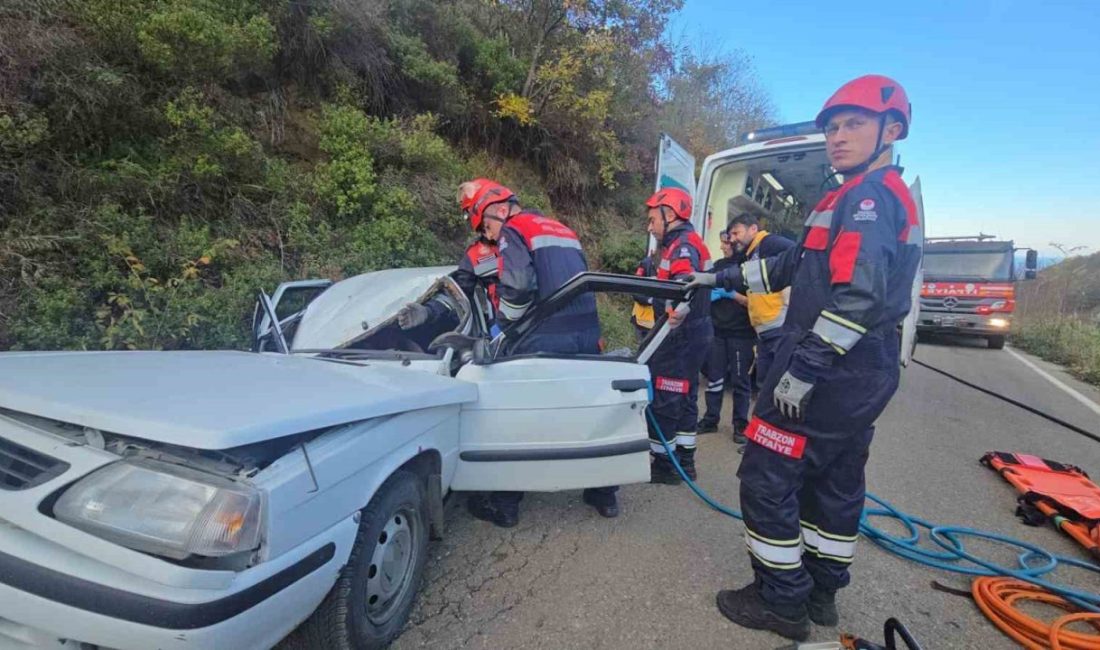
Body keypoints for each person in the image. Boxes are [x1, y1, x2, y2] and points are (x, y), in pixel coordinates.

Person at [687, 75, 921, 640]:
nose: (838, 137)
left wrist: (802, 371)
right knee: (834, 481)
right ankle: (820, 594)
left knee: (768, 476)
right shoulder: (861, 196)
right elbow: (789, 268)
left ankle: (781, 600)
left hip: (833, 370)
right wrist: (712, 275)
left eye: (854, 125)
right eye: (833, 128)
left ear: (891, 130)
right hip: (864, 372)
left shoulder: (866, 199)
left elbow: (856, 298)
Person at [456, 178, 619, 525]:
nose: (489, 234)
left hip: (542, 338)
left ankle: (506, 505)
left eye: (486, 225)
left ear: (500, 209)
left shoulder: (514, 230)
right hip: (586, 336)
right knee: (587, 415)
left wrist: (501, 330)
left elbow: (517, 287)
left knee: (514, 420)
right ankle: (604, 493)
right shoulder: (562, 230)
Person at [643, 187, 713, 484]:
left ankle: (665, 466)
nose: (650, 227)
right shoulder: (688, 241)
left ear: (669, 214)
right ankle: (685, 460)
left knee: (667, 398)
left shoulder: (682, 246)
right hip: (695, 334)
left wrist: (671, 323)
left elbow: (685, 289)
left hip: (681, 336)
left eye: (652, 220)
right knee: (684, 398)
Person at [697, 224, 754, 444]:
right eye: (721, 241)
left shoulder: (748, 269)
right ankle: (711, 419)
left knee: (740, 381)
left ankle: (740, 425)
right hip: (717, 331)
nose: (722, 246)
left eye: (726, 242)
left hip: (741, 334)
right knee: (714, 378)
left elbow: (758, 303)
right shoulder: (717, 267)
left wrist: (733, 296)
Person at [724, 212, 795, 386]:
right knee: (764, 385)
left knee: (774, 386)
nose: (733, 239)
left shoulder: (768, 243)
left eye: (736, 233)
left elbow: (798, 253)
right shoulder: (750, 252)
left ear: (753, 229)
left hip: (778, 328)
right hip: (764, 331)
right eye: (730, 235)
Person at [396, 225, 499, 333]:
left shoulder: (511, 248)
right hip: (503, 331)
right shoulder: (479, 256)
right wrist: (429, 311)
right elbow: (459, 291)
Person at [630, 254, 658, 343]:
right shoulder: (646, 263)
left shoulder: (670, 264)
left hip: (659, 322)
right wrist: (650, 300)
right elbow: (634, 289)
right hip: (641, 321)